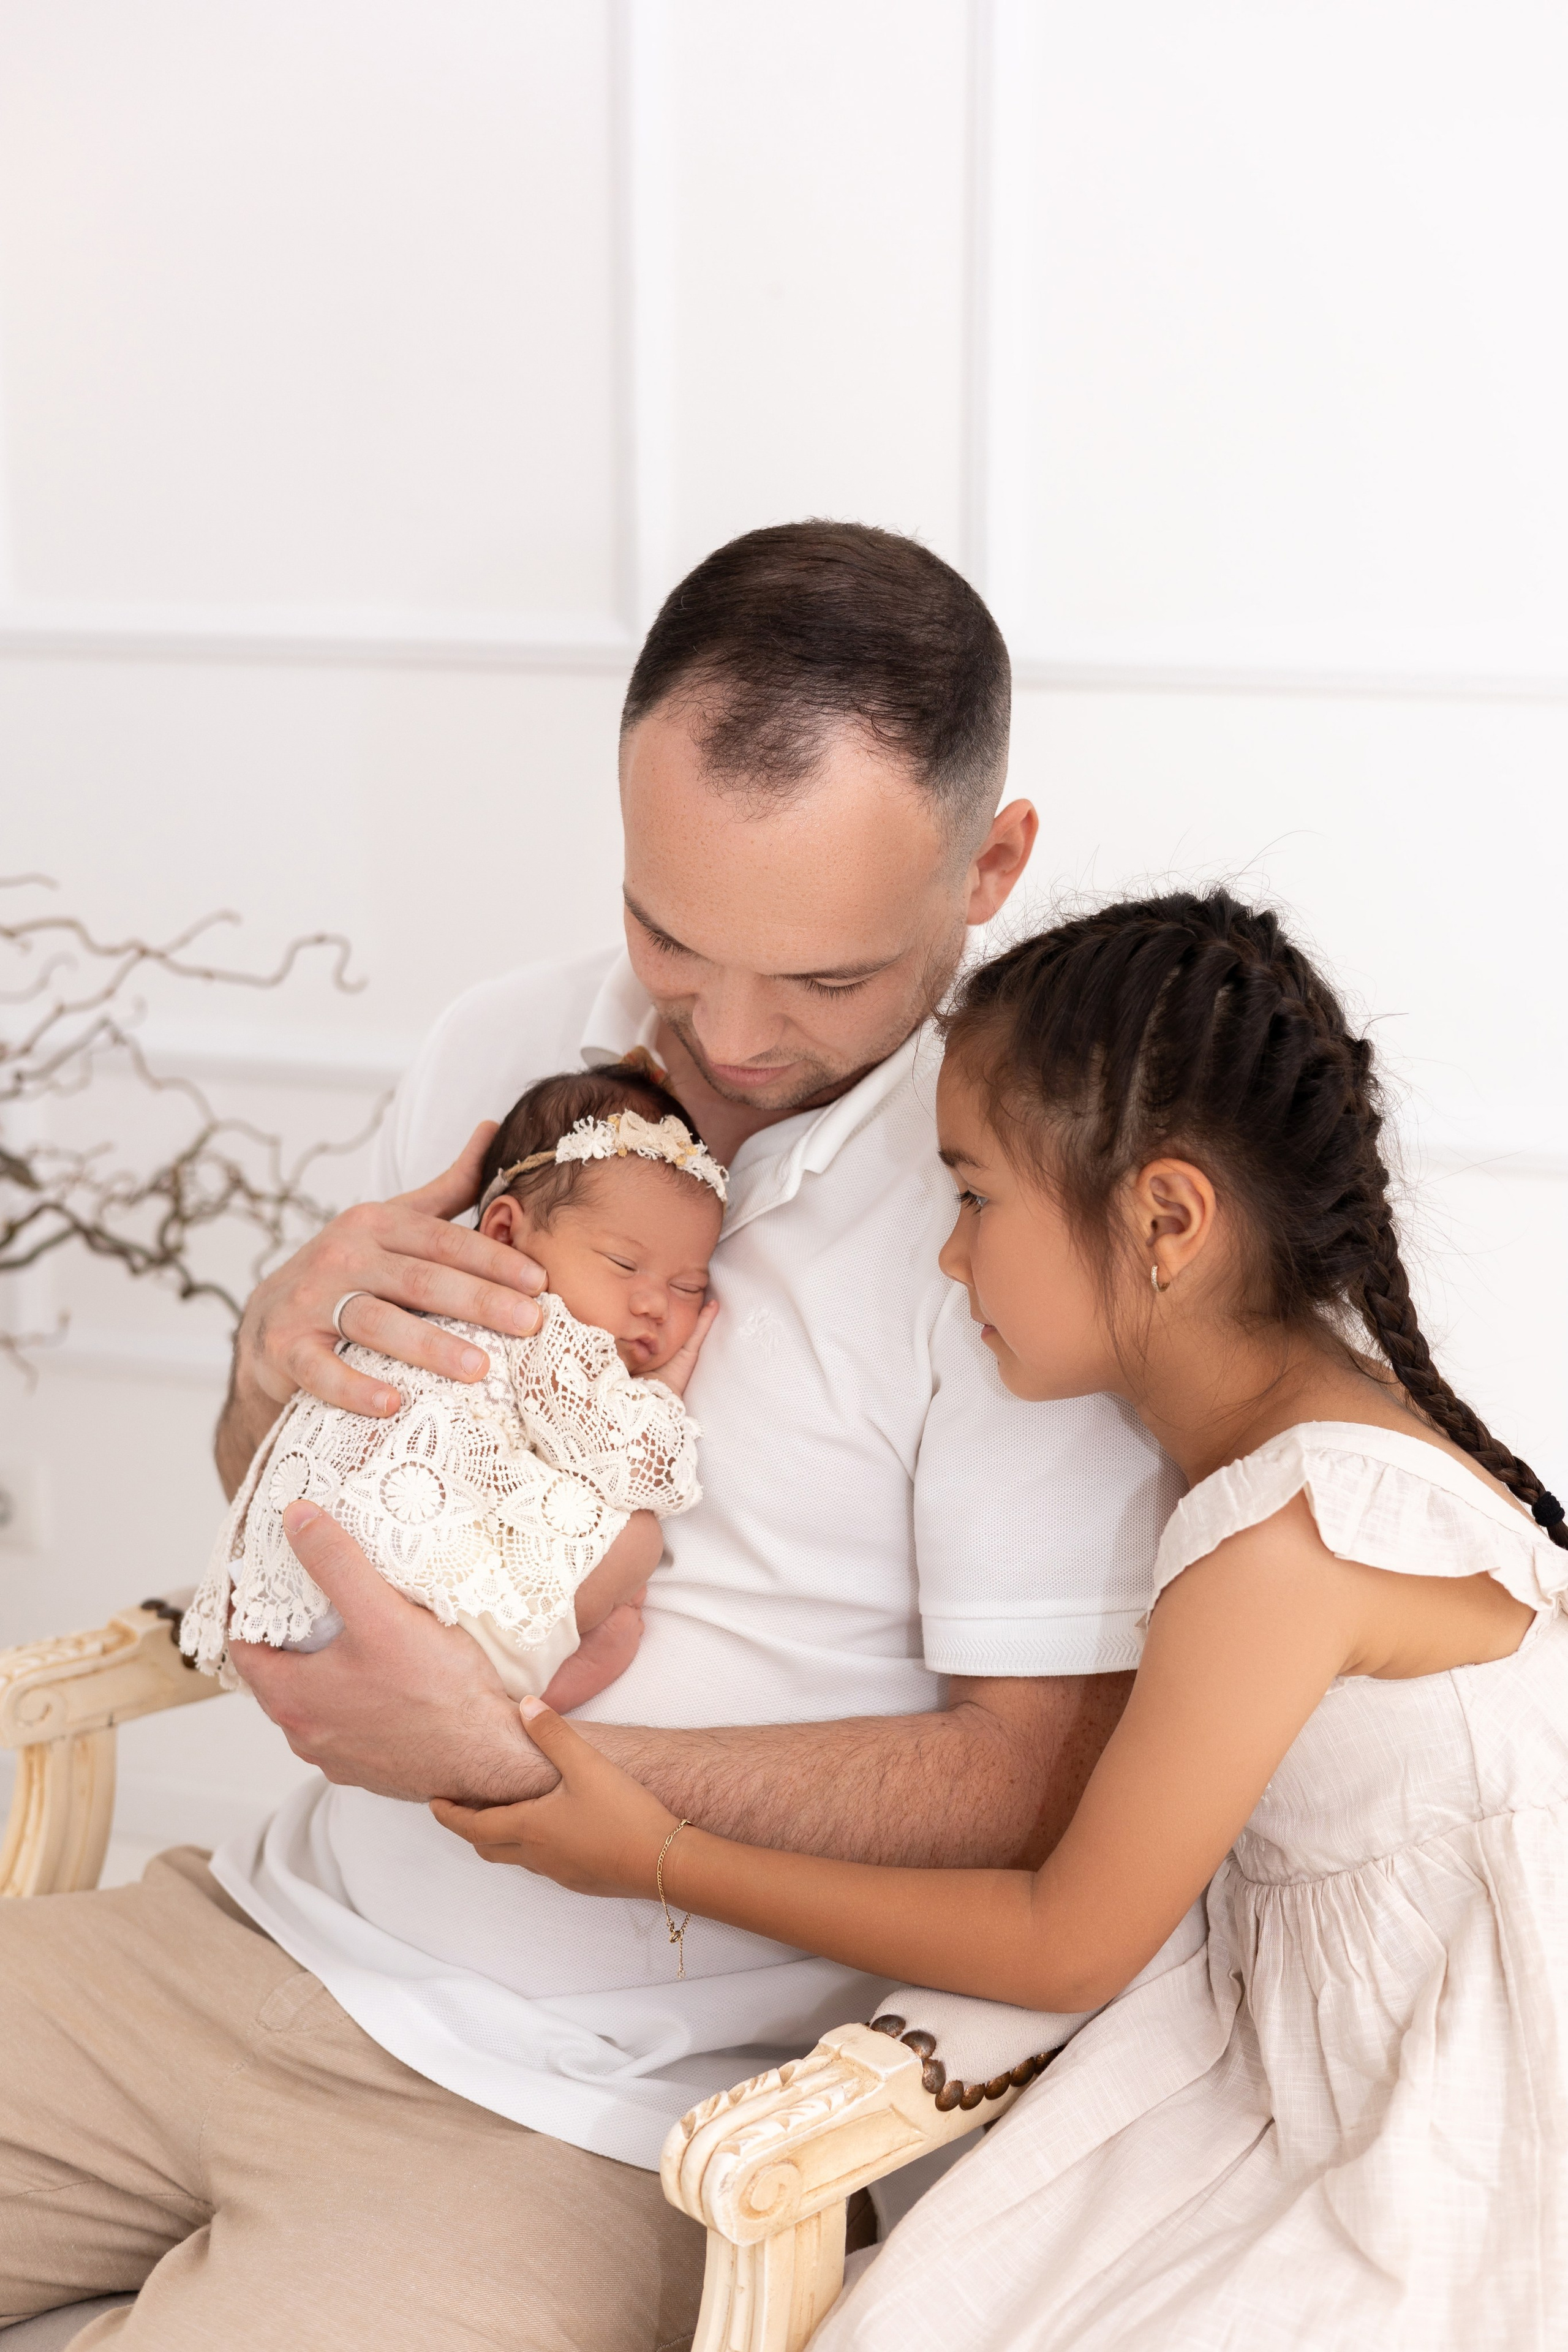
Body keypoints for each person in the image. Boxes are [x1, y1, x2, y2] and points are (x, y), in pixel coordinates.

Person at [0, 524, 1177, 2350]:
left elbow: (1040, 1771)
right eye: (666, 932)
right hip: (231, 1937)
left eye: (824, 979)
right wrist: (266, 1364)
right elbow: (301, 1491)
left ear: (990, 863)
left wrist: (524, 1762)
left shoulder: (1033, 1208)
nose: (722, 1035)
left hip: (577, 2122)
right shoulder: (504, 1043)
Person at [462, 889, 1568, 2352]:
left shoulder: (1283, 1539)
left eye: (971, 1196)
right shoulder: (1292, 1441)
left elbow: (1062, 1942)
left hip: (1458, 2142)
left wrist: (654, 1856)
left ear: (1163, 1219)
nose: (945, 1256)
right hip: (1323, 2061)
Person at [184, 1058, 724, 1708]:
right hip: (397, 1582)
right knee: (636, 1539)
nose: (654, 1305)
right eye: (623, 1263)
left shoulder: (405, 1296)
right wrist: (660, 1393)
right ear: (504, 1233)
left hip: (289, 1585)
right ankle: (508, 1690)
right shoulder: (535, 1317)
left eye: (687, 1286)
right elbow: (630, 1463)